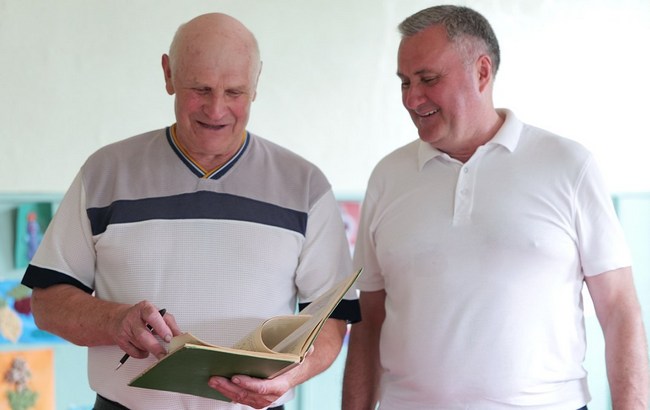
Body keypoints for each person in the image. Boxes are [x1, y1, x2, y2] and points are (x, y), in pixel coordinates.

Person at [21, 12, 360, 410]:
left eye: (234, 92)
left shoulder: (305, 186)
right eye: (200, 88)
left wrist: (293, 375)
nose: (216, 110)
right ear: (168, 74)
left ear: (256, 82)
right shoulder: (104, 172)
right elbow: (48, 303)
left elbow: (332, 320)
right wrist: (114, 321)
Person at [342, 5, 648, 410]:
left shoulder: (568, 165)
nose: (412, 98)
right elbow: (368, 323)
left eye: (428, 79)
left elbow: (619, 310)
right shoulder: (388, 176)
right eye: (404, 82)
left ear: (482, 72)